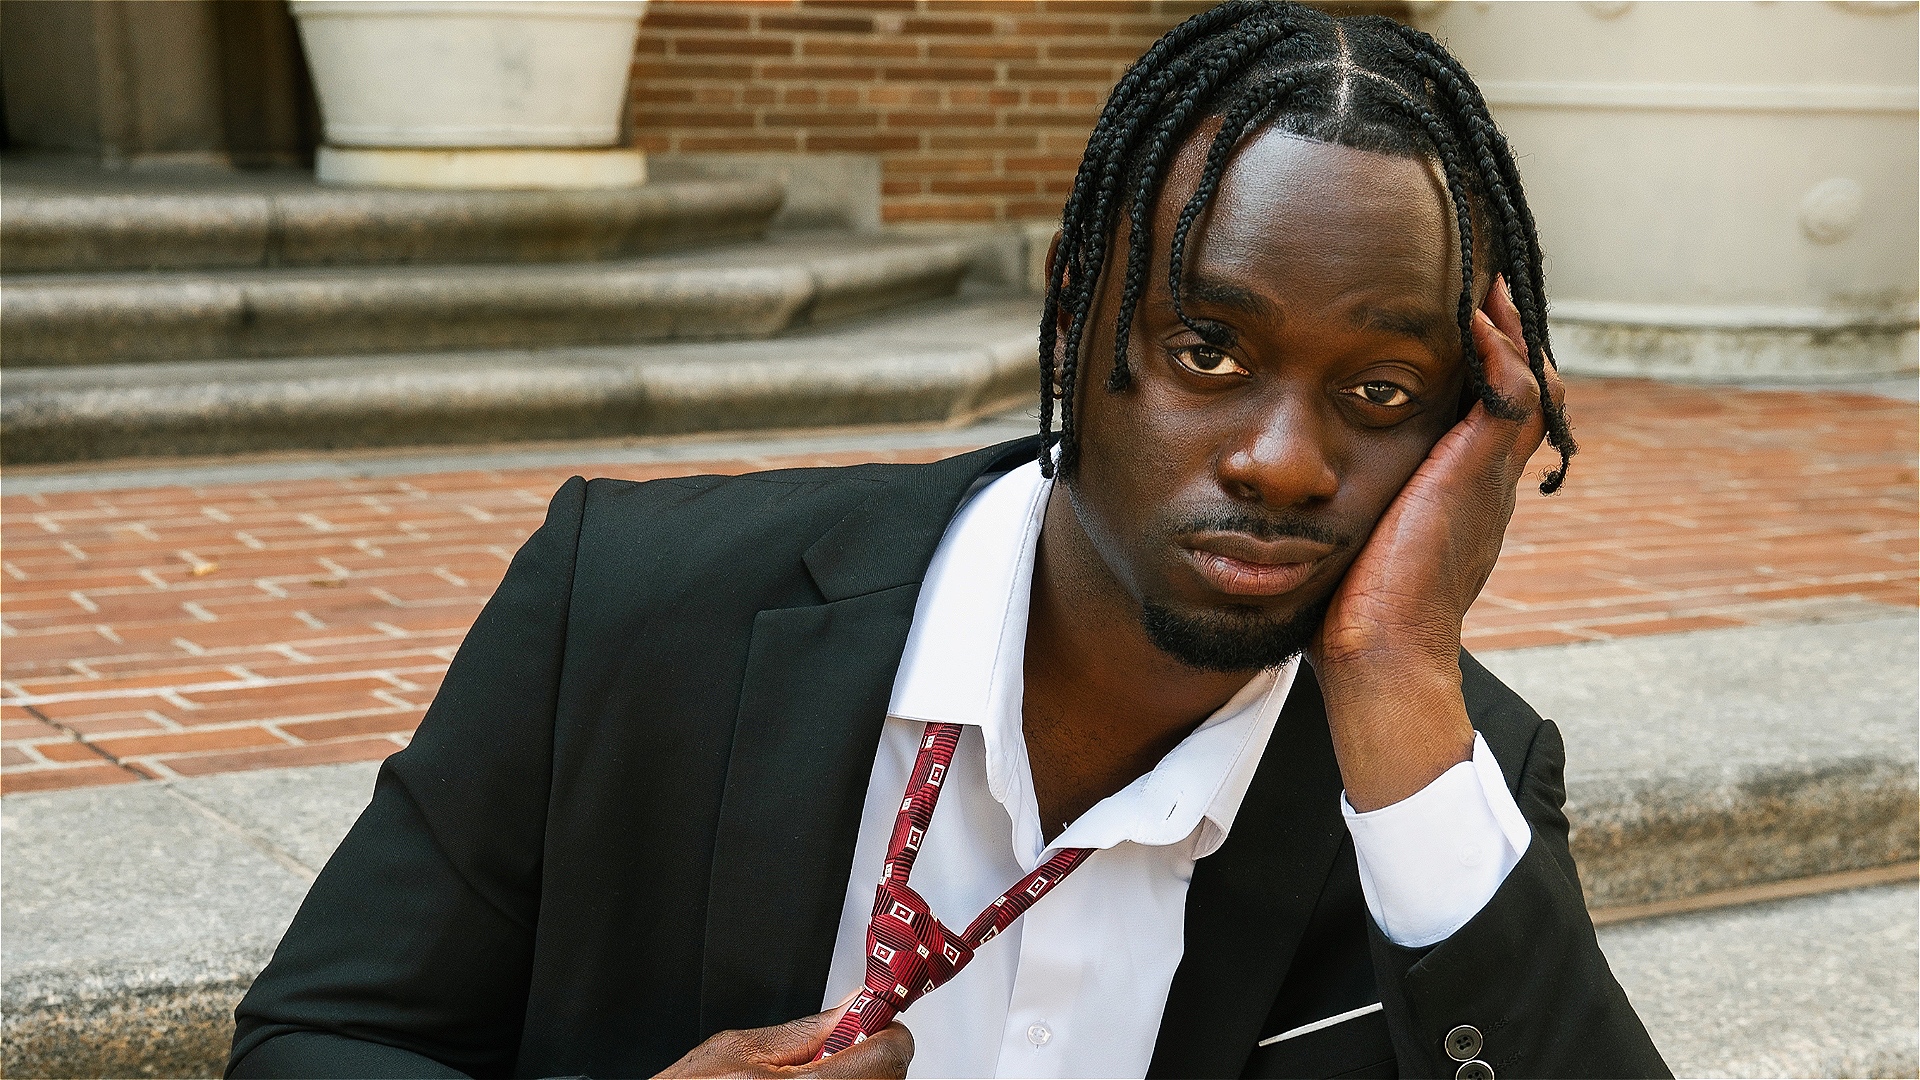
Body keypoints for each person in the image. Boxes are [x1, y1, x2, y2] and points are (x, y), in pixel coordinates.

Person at [228, 4, 1668, 1077]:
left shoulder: (1442, 782)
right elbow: (315, 1038)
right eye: (1206, 346)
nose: (1284, 461)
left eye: (1379, 392)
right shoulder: (632, 604)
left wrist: (1401, 676)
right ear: (1076, 307)